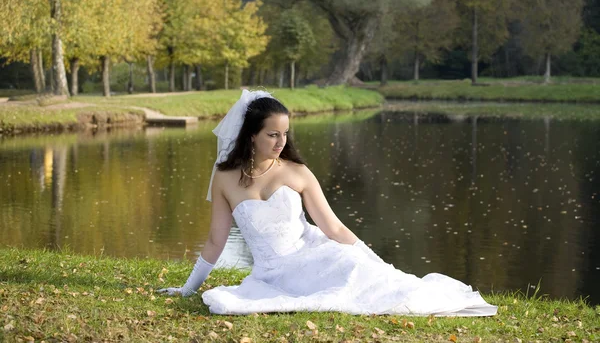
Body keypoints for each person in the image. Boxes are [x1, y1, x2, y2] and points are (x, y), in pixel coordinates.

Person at [158, 90, 497, 316]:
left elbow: (332, 227)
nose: (281, 142)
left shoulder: (298, 172)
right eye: (272, 135)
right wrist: (189, 288)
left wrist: (375, 260)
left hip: (313, 253)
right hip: (273, 273)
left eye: (285, 133)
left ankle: (386, 277)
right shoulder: (225, 178)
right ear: (251, 135)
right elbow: (217, 239)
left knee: (355, 270)